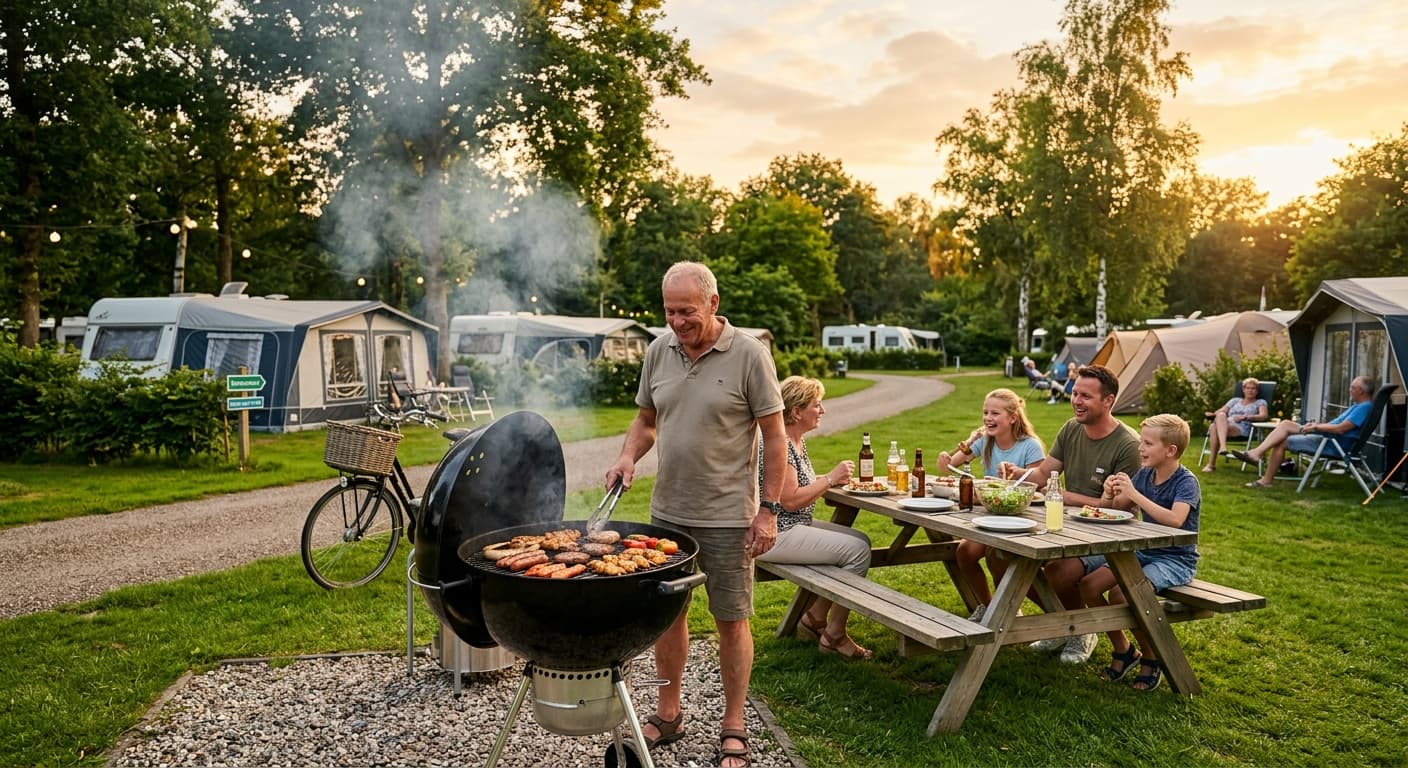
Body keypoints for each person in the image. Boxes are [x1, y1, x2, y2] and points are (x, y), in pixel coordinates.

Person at [604, 261, 786, 768]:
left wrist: (768, 511)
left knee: (731, 620)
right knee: (669, 618)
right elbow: (646, 420)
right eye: (669, 311)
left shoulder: (749, 354)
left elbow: (775, 437)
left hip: (729, 516)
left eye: (687, 311)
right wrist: (626, 456)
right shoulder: (658, 351)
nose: (677, 322)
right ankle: (669, 712)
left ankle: (734, 724)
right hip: (669, 512)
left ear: (713, 303)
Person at [1002, 364, 1142, 665]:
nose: (1076, 400)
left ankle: (1082, 631)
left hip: (1111, 536)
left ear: (1108, 401)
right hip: (1068, 526)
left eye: (1086, 396)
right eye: (1075, 393)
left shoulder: (1128, 445)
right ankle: (1062, 623)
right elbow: (1043, 474)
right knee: (1000, 554)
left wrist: (1068, 498)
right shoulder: (1070, 428)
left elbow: (1123, 509)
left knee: (1058, 571)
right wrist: (1017, 474)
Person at [1053, 413, 1200, 691]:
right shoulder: (1145, 475)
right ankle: (1124, 649)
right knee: (1089, 586)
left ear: (1170, 451)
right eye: (1141, 442)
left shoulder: (1185, 482)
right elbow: (1117, 508)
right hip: (1143, 550)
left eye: (1148, 444)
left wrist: (1135, 495)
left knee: (1123, 594)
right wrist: (1110, 494)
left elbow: (1175, 520)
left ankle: (1152, 657)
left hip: (1175, 559)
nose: (1140, 448)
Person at [754, 376, 873, 660]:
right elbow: (790, 499)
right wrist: (829, 479)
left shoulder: (796, 440)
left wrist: (830, 481)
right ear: (796, 412)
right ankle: (834, 635)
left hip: (792, 526)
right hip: (776, 534)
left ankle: (815, 617)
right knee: (857, 552)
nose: (823, 410)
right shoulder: (781, 444)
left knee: (862, 540)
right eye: (817, 405)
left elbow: (795, 485)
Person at [936, 388, 1045, 621]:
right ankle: (988, 607)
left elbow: (1039, 484)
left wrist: (1012, 476)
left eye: (995, 413)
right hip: (991, 515)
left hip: (1023, 518)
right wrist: (963, 447)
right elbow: (949, 467)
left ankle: (1008, 610)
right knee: (965, 552)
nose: (988, 418)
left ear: (1012, 418)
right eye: (985, 412)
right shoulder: (986, 441)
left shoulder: (1030, 446)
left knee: (997, 556)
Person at [1231, 375, 1375, 489]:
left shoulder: (1364, 407)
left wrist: (1316, 427)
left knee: (1283, 433)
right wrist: (1317, 425)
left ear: (1361, 391)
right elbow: (1337, 426)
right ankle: (1259, 460)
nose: (1350, 390)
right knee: (1284, 430)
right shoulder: (1360, 406)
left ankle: (1261, 465)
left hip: (1332, 444)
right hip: (1329, 438)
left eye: (1352, 388)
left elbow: (1341, 428)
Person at [1202, 378, 1268, 472]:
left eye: (1253, 388)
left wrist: (1246, 417)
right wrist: (1212, 414)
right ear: (1243, 389)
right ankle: (1222, 447)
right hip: (1226, 425)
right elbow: (1221, 411)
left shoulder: (1260, 402)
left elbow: (1263, 416)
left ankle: (1211, 464)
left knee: (1213, 427)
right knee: (1220, 416)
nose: (1250, 390)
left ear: (1257, 391)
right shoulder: (1234, 401)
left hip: (1243, 427)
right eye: (1248, 388)